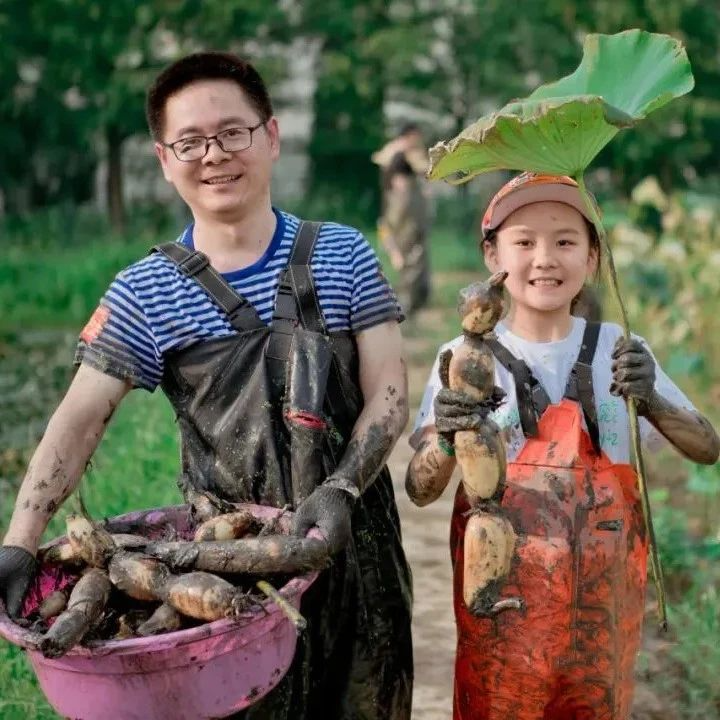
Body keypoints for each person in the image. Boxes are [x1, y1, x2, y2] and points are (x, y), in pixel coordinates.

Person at [0, 52, 413, 719]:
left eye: (232, 132)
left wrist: (339, 487)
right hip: (228, 564)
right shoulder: (145, 292)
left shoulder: (343, 253)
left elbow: (390, 390)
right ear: (165, 159)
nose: (213, 154)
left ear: (270, 136)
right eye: (190, 141)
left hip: (354, 540)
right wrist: (21, 541)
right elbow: (77, 420)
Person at [405, 172, 719, 720]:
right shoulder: (464, 357)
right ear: (492, 257)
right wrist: (451, 436)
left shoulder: (621, 353)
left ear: (593, 258)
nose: (544, 258)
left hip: (601, 608)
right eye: (524, 242)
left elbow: (707, 447)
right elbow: (420, 487)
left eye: (566, 242)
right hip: (502, 600)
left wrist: (652, 399)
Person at [372, 123, 431, 315]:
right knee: (401, 266)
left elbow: (426, 170)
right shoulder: (395, 152)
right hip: (397, 225)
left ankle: (415, 300)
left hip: (412, 222)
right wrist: (394, 252)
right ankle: (400, 303)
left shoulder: (415, 156)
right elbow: (385, 227)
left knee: (414, 262)